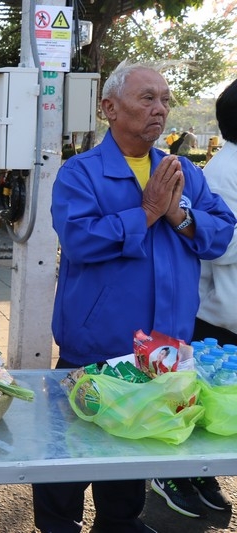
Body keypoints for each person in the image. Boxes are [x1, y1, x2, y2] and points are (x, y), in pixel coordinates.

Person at [41, 61, 235, 533]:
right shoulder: (81, 172)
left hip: (162, 349)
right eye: (147, 98)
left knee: (135, 449)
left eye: (165, 100)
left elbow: (221, 232)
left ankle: (119, 523)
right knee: (67, 451)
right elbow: (80, 240)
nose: (160, 109)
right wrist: (146, 212)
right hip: (96, 344)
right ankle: (57, 525)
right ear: (109, 108)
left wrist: (179, 216)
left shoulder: (183, 172)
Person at [158, 79, 237, 519]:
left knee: (217, 408)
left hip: (228, 313)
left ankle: (201, 473)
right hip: (216, 316)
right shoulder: (224, 171)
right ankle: (172, 474)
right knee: (193, 405)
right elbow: (217, 244)